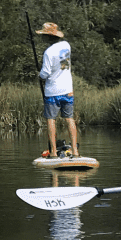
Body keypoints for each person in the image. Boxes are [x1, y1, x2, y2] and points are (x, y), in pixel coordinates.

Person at [35, 22, 80, 160]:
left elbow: (45, 73)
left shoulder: (48, 52)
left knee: (51, 120)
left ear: (48, 37)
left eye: (44, 35)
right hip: (68, 90)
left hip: (52, 91)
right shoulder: (66, 46)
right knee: (69, 118)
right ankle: (75, 152)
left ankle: (53, 152)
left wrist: (39, 74)